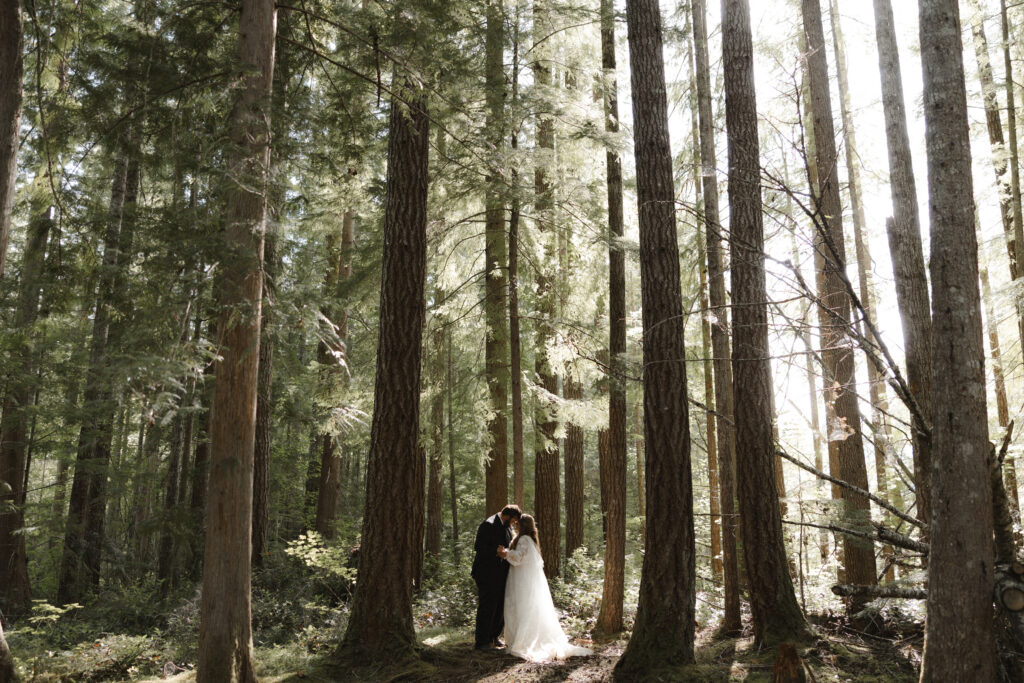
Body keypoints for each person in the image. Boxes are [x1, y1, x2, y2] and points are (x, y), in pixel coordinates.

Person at [499, 514, 592, 661]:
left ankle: (522, 641)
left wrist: (505, 553)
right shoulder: (529, 539)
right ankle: (519, 638)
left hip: (522, 579)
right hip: (522, 577)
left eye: (517, 523)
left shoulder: (524, 539)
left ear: (522, 525)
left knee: (522, 607)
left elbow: (519, 557)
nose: (515, 525)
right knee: (523, 607)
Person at [471, 504, 521, 650]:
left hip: (500, 573)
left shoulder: (506, 527)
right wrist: (496, 551)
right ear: (507, 516)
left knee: (499, 606)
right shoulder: (488, 524)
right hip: (486, 573)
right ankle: (481, 641)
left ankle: (494, 636)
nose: (513, 524)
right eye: (513, 521)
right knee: (487, 606)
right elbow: (478, 546)